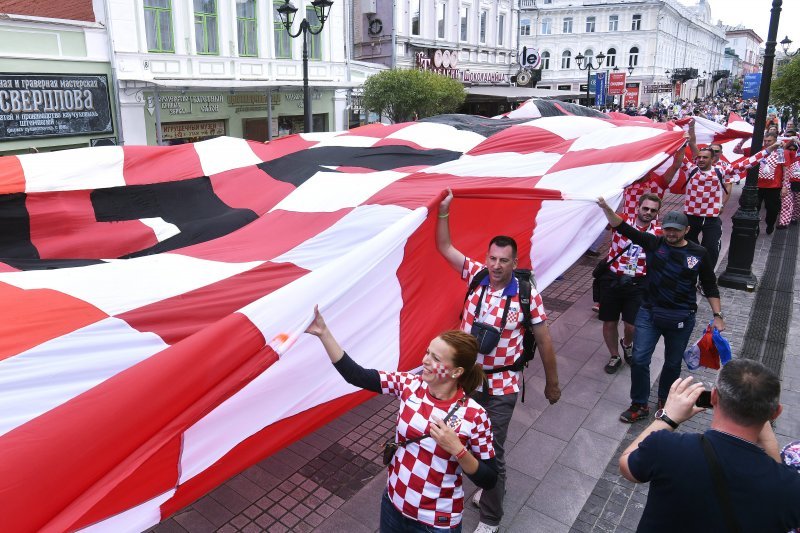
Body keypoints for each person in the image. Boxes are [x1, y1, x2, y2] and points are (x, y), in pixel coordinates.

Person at [305, 306, 498, 532]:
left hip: (436, 522)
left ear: (456, 372)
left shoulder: (475, 415)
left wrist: (458, 450)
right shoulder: (409, 384)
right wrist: (323, 332)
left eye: (435, 358)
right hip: (393, 506)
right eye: (427, 352)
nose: (425, 360)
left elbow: (489, 479)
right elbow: (355, 375)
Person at [436, 189, 560, 533]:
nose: (496, 265)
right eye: (492, 258)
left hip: (502, 385)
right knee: (457, 441)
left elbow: (545, 340)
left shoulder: (525, 294)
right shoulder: (475, 276)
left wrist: (552, 382)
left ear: (514, 262)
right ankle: (474, 489)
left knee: (492, 451)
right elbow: (444, 247)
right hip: (466, 381)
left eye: (504, 260)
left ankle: (490, 518)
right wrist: (444, 211)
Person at [619, 362, 800, 532]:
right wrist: (770, 443)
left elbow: (626, 463)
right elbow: (778, 490)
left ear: (713, 397)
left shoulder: (667, 448)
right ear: (776, 412)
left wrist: (667, 418)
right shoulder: (791, 488)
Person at [596, 200, 724, 423]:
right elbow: (623, 227)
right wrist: (607, 209)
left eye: (676, 229)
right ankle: (639, 404)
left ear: (687, 230)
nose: (671, 233)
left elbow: (710, 284)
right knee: (640, 359)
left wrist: (717, 316)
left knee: (672, 363)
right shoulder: (654, 243)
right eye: (667, 228)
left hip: (681, 318)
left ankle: (665, 401)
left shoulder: (699, 253)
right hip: (649, 313)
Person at [684, 119, 782, 265]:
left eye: (706, 157)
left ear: (713, 159)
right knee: (688, 249)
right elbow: (682, 152)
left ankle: (707, 276)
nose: (701, 159)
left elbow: (748, 162)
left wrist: (770, 149)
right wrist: (687, 133)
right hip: (691, 217)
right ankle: (691, 272)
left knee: (711, 248)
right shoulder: (690, 169)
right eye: (699, 157)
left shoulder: (722, 170)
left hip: (711, 218)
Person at [598, 193, 662, 374]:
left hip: (638, 284)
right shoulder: (623, 221)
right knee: (609, 322)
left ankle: (627, 344)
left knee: (631, 325)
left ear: (657, 212)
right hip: (613, 280)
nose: (648, 212)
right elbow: (610, 219)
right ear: (638, 208)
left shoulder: (658, 232)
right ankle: (614, 355)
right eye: (645, 208)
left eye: (653, 210)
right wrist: (605, 206)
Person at [757, 132, 789, 234]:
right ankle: (755, 227)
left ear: (775, 140)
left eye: (769, 141)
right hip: (758, 186)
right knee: (754, 208)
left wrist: (785, 186)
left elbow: (785, 169)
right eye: (765, 141)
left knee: (772, 209)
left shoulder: (780, 152)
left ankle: (770, 224)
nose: (766, 143)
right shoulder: (761, 151)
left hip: (773, 187)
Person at [778, 135, 800, 228]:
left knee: (798, 203)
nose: (791, 151)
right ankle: (783, 222)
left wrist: (797, 141)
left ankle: (794, 217)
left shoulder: (797, 156)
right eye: (790, 149)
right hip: (788, 182)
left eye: (793, 149)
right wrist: (791, 141)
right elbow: (783, 150)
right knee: (786, 203)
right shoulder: (784, 154)